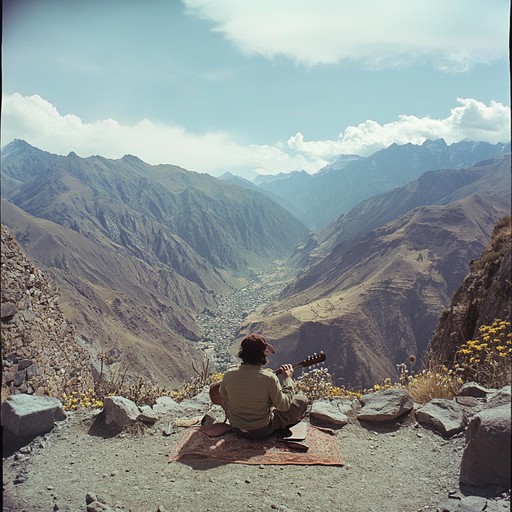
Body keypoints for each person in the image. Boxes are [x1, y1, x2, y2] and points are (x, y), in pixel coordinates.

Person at [218, 333, 308, 439]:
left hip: (236, 427)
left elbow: (223, 396)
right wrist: (288, 379)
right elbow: (283, 406)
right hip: (260, 430)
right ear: (262, 356)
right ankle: (281, 428)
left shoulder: (229, 374)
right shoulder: (269, 378)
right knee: (302, 400)